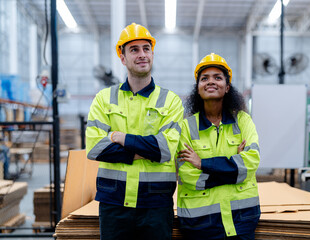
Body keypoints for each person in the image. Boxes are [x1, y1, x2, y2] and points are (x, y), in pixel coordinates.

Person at [86, 23, 184, 240]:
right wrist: (146, 151)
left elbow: (166, 150)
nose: (142, 55)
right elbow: (94, 148)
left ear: (152, 54)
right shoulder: (104, 99)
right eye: (134, 49)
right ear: (122, 58)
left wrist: (120, 138)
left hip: (155, 204)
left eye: (146, 49)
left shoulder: (171, 101)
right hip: (114, 202)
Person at [176, 53, 261, 240]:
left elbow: (251, 161)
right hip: (200, 222)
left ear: (227, 87)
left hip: (241, 220)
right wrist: (233, 171)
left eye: (218, 77)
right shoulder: (186, 127)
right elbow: (188, 175)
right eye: (204, 78)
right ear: (197, 89)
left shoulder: (243, 121)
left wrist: (203, 163)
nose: (211, 82)